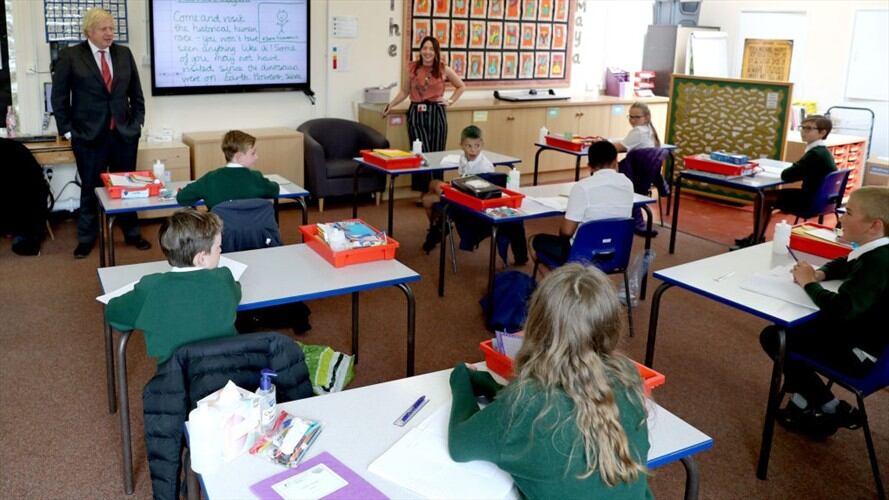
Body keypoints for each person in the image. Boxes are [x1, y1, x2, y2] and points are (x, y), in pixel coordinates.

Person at [448, 263, 651, 499]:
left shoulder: (529, 403)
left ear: (536, 326)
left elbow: (460, 445)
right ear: (611, 326)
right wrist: (495, 389)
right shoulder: (628, 378)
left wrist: (460, 378)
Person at [760, 186, 889, 439]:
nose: (841, 218)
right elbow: (846, 262)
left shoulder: (877, 263)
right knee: (795, 329)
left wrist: (810, 283)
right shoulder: (877, 252)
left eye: (849, 212)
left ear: (874, 225)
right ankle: (801, 405)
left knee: (776, 338)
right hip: (872, 343)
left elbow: (843, 309)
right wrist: (821, 273)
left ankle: (829, 406)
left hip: (862, 356)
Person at [51, 7, 150, 259]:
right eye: (104, 29)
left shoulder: (124, 54)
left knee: (127, 186)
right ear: (89, 31)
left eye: (112, 28)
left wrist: (137, 122)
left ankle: (132, 233)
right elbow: (59, 98)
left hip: (123, 134)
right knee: (90, 188)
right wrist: (69, 132)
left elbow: (136, 94)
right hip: (88, 136)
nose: (110, 33)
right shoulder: (71, 56)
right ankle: (86, 238)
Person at [105, 209, 241, 366]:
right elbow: (236, 293)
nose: (221, 252)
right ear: (201, 258)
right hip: (225, 373)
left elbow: (113, 313)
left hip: (176, 381)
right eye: (218, 248)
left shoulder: (150, 288)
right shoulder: (224, 277)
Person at [735, 115, 837, 248]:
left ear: (823, 132)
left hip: (810, 201)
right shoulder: (823, 152)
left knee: (763, 198)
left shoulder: (814, 154)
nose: (803, 131)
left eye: (809, 129)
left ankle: (757, 238)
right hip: (824, 201)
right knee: (766, 196)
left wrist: (796, 166)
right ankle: (757, 236)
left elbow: (787, 175)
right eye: (802, 127)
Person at [383, 36, 465, 199]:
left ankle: (435, 190)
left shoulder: (443, 68)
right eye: (424, 48)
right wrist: (391, 105)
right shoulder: (412, 68)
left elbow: (461, 86)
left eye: (431, 49)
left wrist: (449, 101)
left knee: (436, 153)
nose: (427, 52)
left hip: (436, 112)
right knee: (421, 153)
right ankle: (424, 190)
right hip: (416, 113)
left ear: (435, 52)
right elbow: (405, 91)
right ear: (420, 50)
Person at [531, 141, 634, 266]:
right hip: (616, 253)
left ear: (589, 166)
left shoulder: (582, 187)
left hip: (582, 255)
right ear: (616, 162)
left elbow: (566, 232)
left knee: (535, 240)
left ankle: (563, 282)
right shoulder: (628, 184)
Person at [176, 130, 279, 209]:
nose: (257, 157)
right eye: (253, 153)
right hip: (253, 235)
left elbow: (182, 198)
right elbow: (275, 190)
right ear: (238, 157)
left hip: (222, 235)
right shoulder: (256, 177)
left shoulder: (210, 179)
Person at [593, 102, 661, 153]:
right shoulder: (648, 129)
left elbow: (617, 148)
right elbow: (627, 140)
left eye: (637, 117)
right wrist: (608, 141)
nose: (633, 120)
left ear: (647, 117)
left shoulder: (639, 131)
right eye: (631, 116)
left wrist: (600, 144)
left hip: (635, 169)